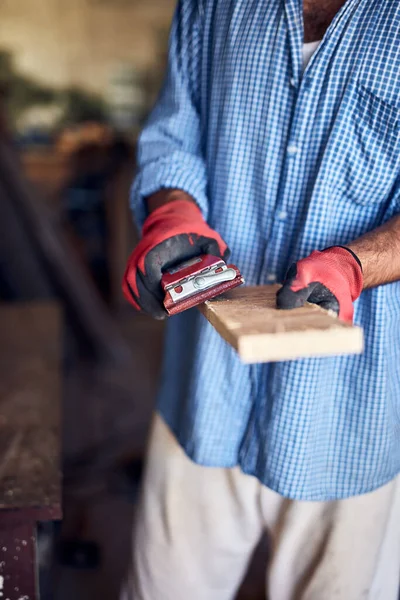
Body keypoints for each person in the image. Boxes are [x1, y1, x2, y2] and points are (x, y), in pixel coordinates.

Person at [122, 1, 400, 598]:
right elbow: (174, 134)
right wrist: (172, 208)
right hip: (206, 385)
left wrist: (359, 264)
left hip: (348, 406)